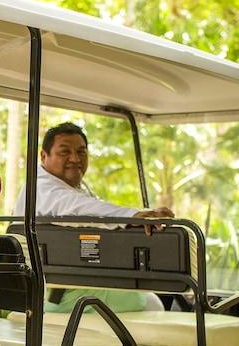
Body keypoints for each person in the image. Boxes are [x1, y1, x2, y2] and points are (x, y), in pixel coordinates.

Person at [14, 122, 173, 313]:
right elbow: (79, 208)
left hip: (74, 285)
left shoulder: (70, 188)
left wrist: (139, 214)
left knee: (161, 288)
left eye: (81, 152)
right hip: (60, 295)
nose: (75, 158)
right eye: (65, 152)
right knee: (153, 303)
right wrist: (135, 216)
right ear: (43, 156)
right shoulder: (41, 188)